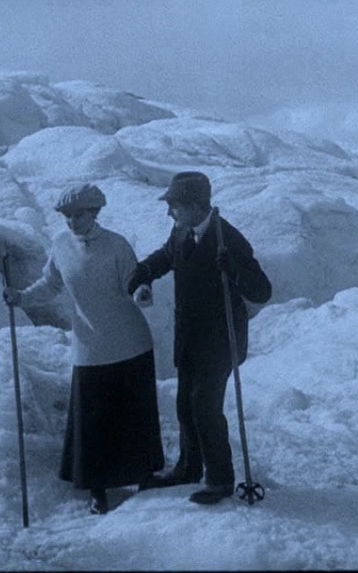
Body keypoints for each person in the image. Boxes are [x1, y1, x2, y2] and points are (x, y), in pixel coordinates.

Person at [3, 184, 164, 515]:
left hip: (130, 342)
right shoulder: (61, 245)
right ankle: (97, 489)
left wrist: (141, 293)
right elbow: (50, 284)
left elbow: (133, 281)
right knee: (92, 420)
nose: (72, 222)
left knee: (135, 414)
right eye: (67, 216)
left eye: (79, 215)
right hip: (90, 347)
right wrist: (21, 297)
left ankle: (144, 477)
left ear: (95, 213)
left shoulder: (116, 245)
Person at [128, 171, 272, 505]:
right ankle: (188, 468)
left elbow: (262, 291)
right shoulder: (181, 231)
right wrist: (142, 274)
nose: (169, 212)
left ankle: (220, 479)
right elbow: (166, 257)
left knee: (204, 406)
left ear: (194, 206)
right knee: (185, 403)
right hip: (189, 337)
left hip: (221, 340)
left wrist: (232, 269)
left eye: (174, 205)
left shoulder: (228, 239)